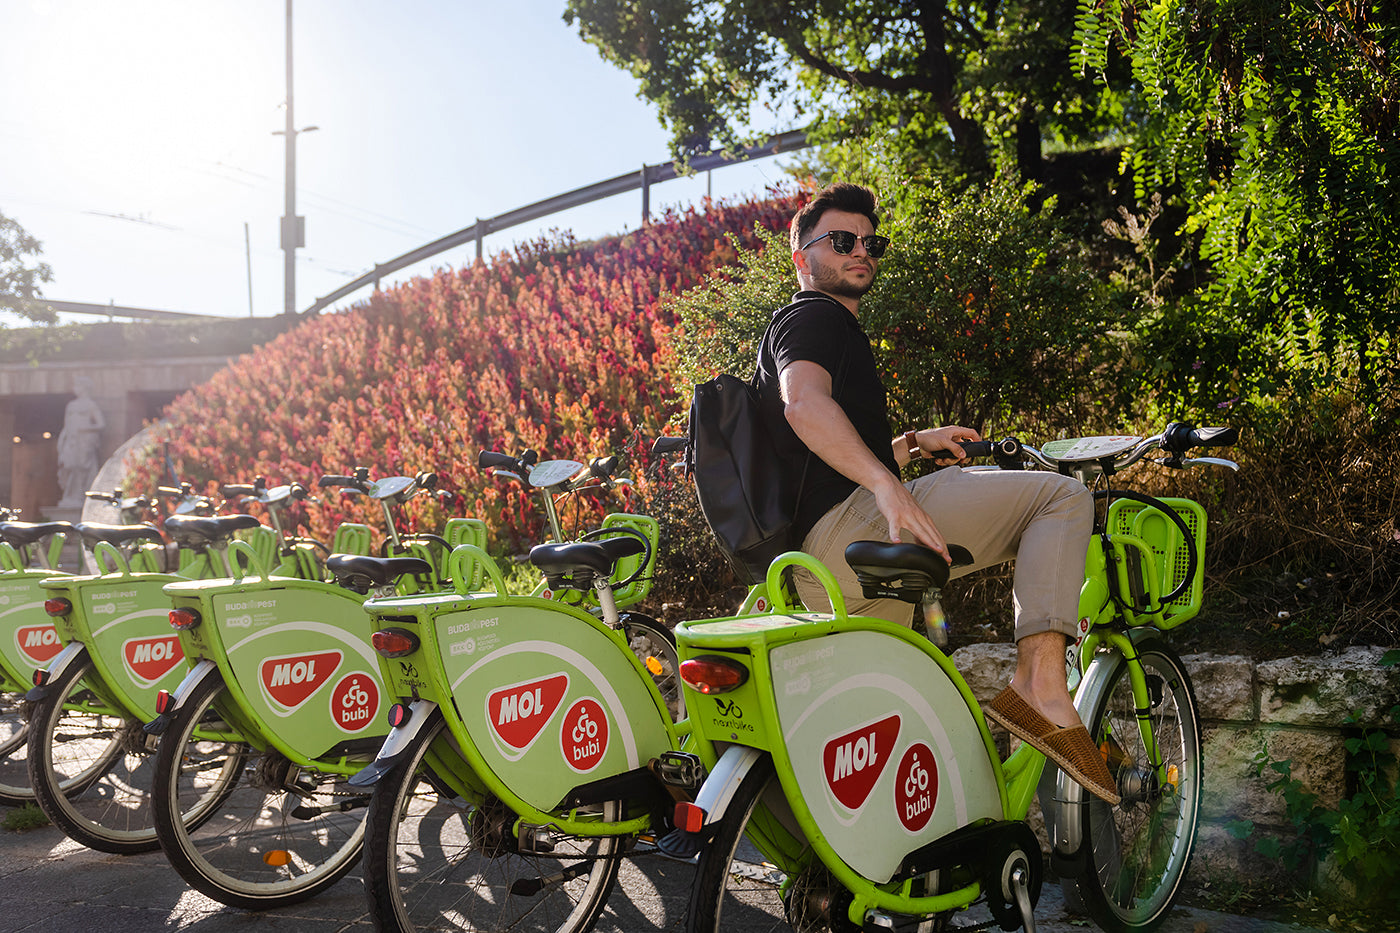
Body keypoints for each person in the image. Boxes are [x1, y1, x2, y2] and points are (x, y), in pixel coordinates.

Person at [754, 182, 1118, 805]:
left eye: (871, 243)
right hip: (852, 530)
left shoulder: (822, 328)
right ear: (801, 256)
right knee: (1060, 498)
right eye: (841, 241)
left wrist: (911, 445)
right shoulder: (814, 317)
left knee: (881, 725)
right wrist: (887, 488)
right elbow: (803, 407)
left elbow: (818, 460)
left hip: (819, 563)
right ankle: (1041, 689)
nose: (860, 251)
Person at [56, 376, 106, 507]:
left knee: (81, 468)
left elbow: (100, 424)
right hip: (72, 440)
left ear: (84, 388)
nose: (75, 389)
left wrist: (84, 428)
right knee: (68, 466)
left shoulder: (90, 405)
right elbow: (66, 426)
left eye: (77, 386)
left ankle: (78, 495)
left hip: (85, 441)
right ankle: (69, 495)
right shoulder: (71, 405)